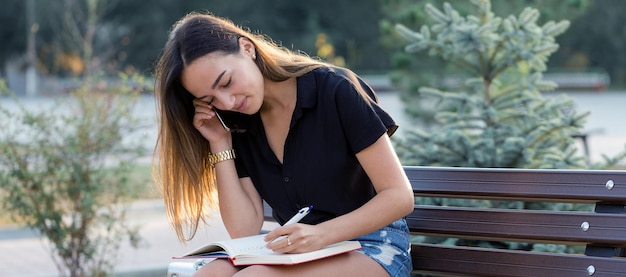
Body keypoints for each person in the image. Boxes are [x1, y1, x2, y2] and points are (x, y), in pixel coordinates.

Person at [152, 12, 414, 277]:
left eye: (227, 82)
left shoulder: (335, 89)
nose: (227, 102)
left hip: (373, 245)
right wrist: (220, 143)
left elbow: (399, 197)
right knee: (206, 274)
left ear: (247, 48)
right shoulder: (239, 122)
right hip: (300, 250)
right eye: (211, 99)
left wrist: (320, 234)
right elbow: (244, 230)